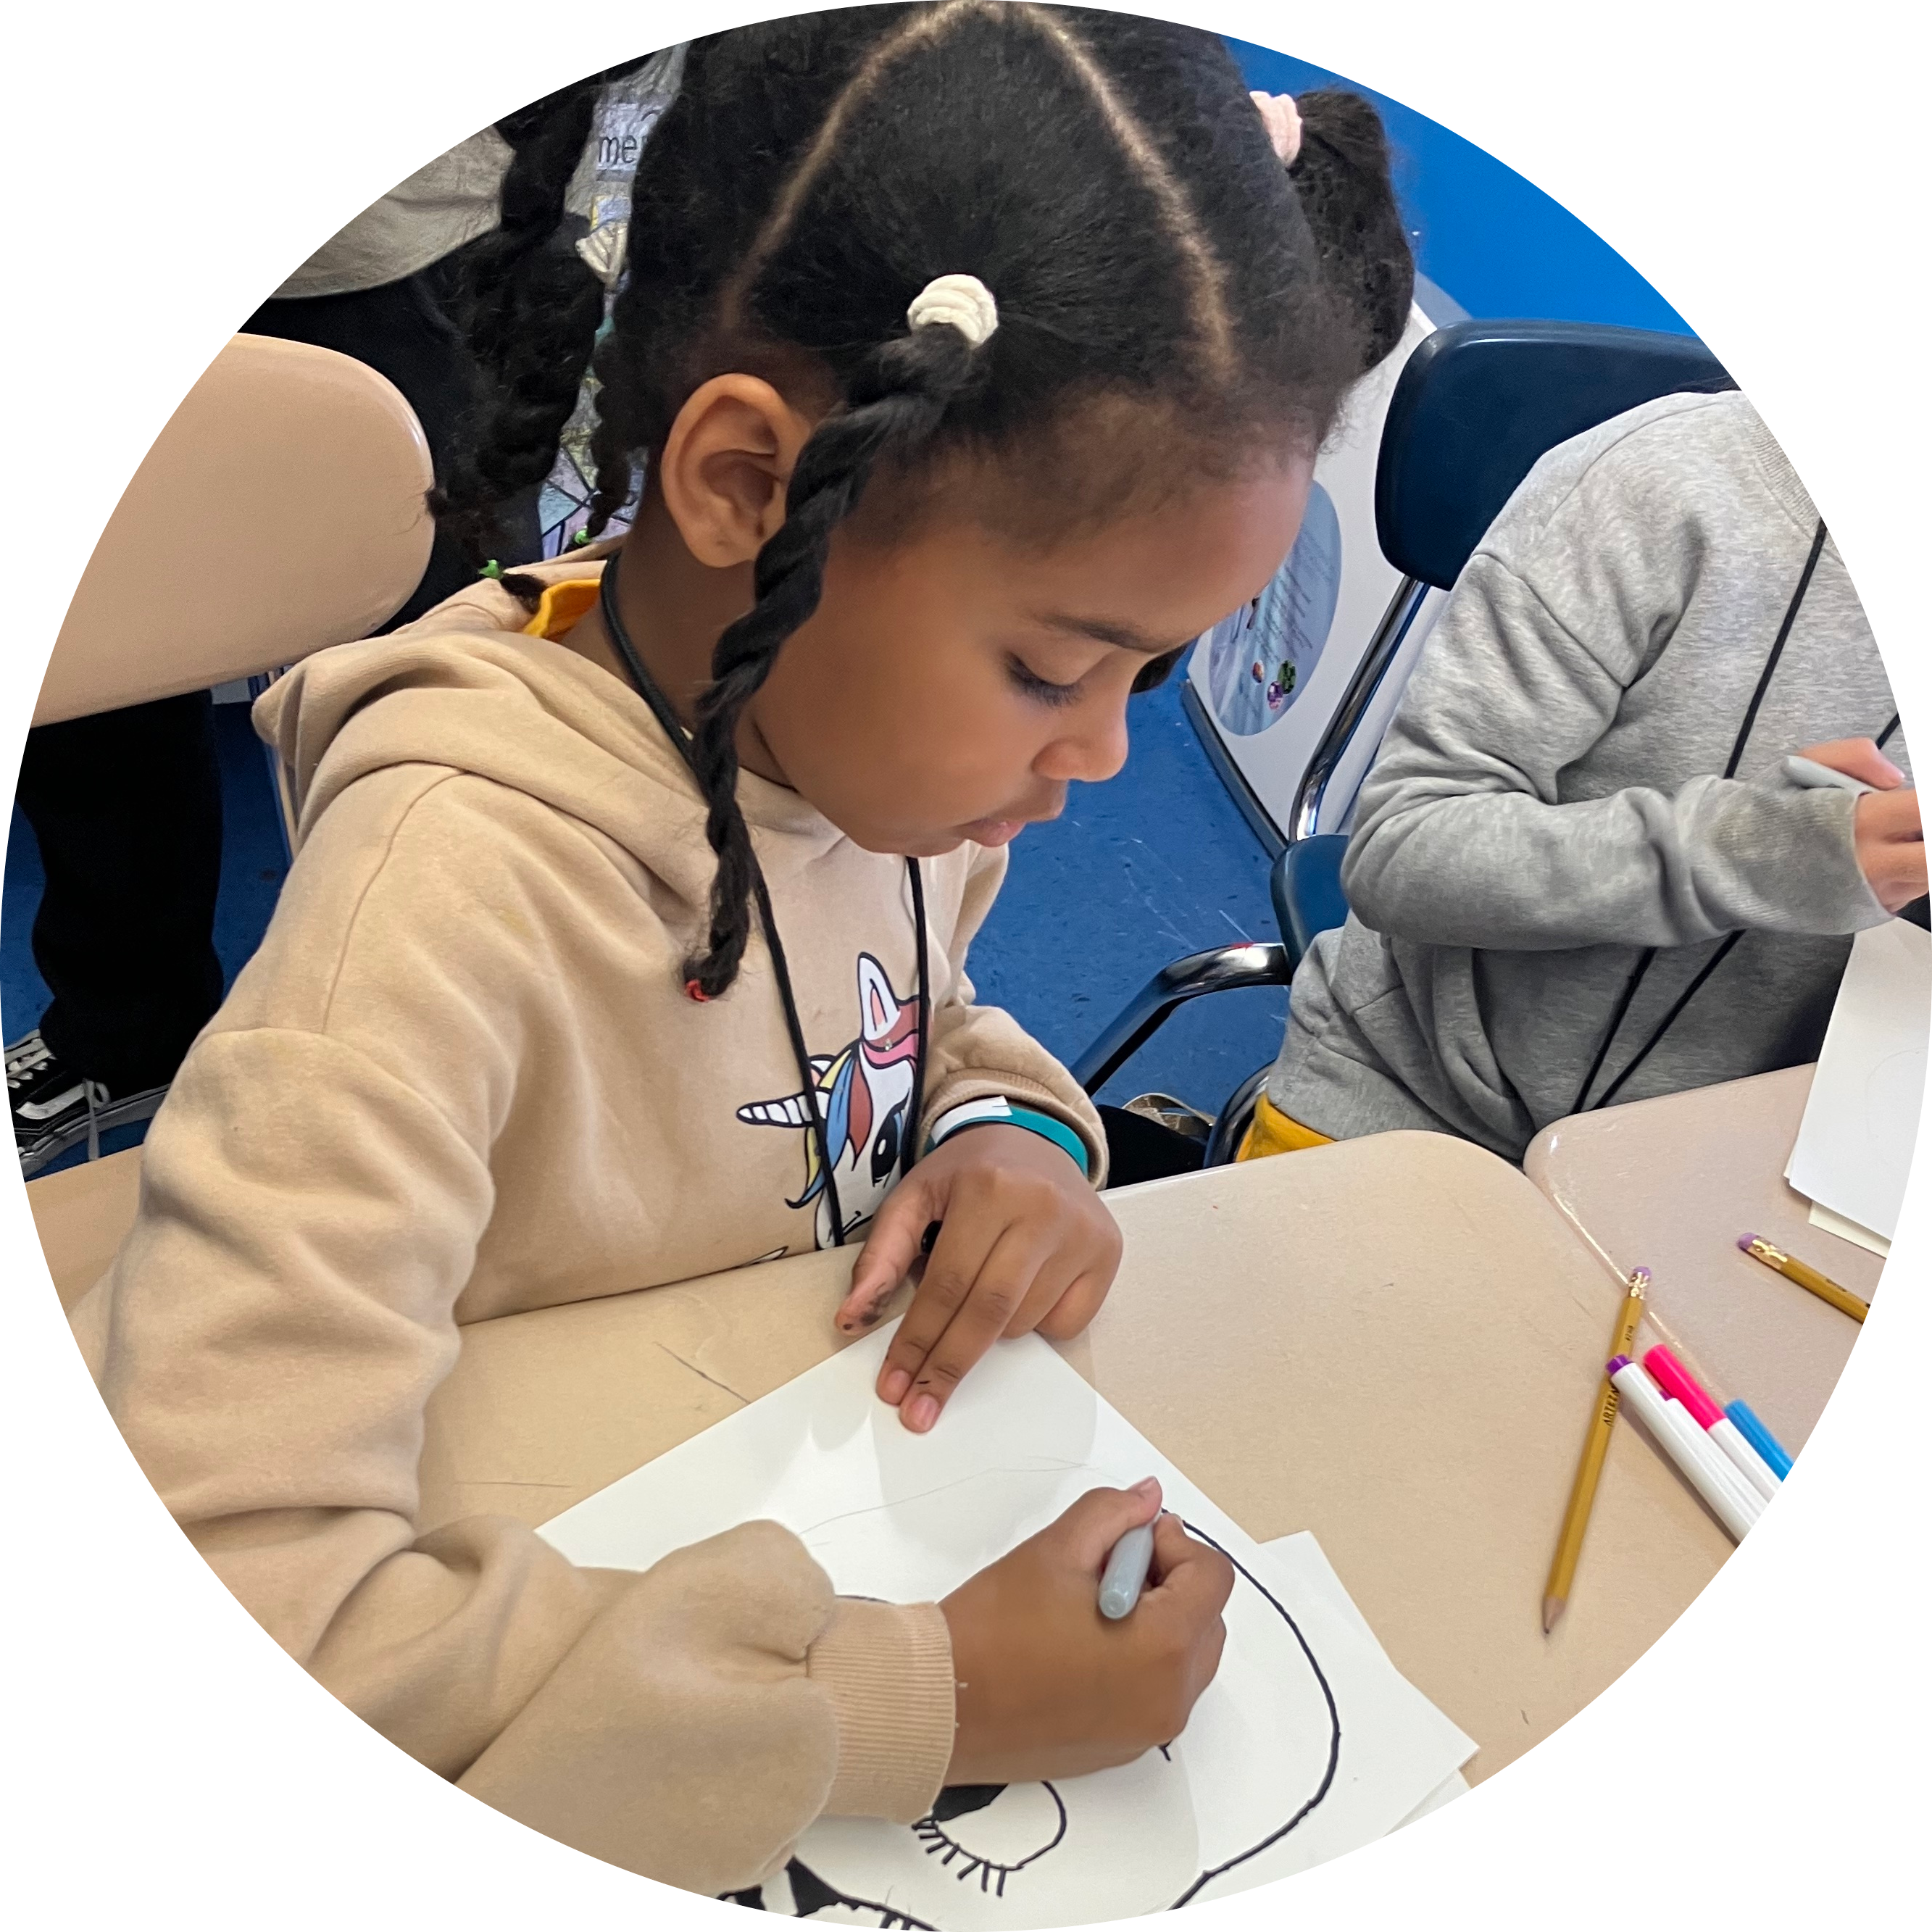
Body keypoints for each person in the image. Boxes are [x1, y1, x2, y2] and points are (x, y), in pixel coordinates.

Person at [72, 7, 1411, 1896]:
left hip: (759, 1443)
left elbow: (918, 1018)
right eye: (1053, 663)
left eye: (1154, 676)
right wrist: (909, 1701)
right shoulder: (436, 913)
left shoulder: (879, 776)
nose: (1100, 756)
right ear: (747, 490)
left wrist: (1012, 1134)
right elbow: (255, 1568)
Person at [9, 62, 680, 1178]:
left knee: (453, 694)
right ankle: (125, 1032)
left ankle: (495, 1068)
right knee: (93, 673)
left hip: (407, 246)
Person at [1238, 386, 1919, 1166]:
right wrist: (1763, 852)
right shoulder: (1656, 484)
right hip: (1424, 1100)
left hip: (1737, 1162)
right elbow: (1400, 850)